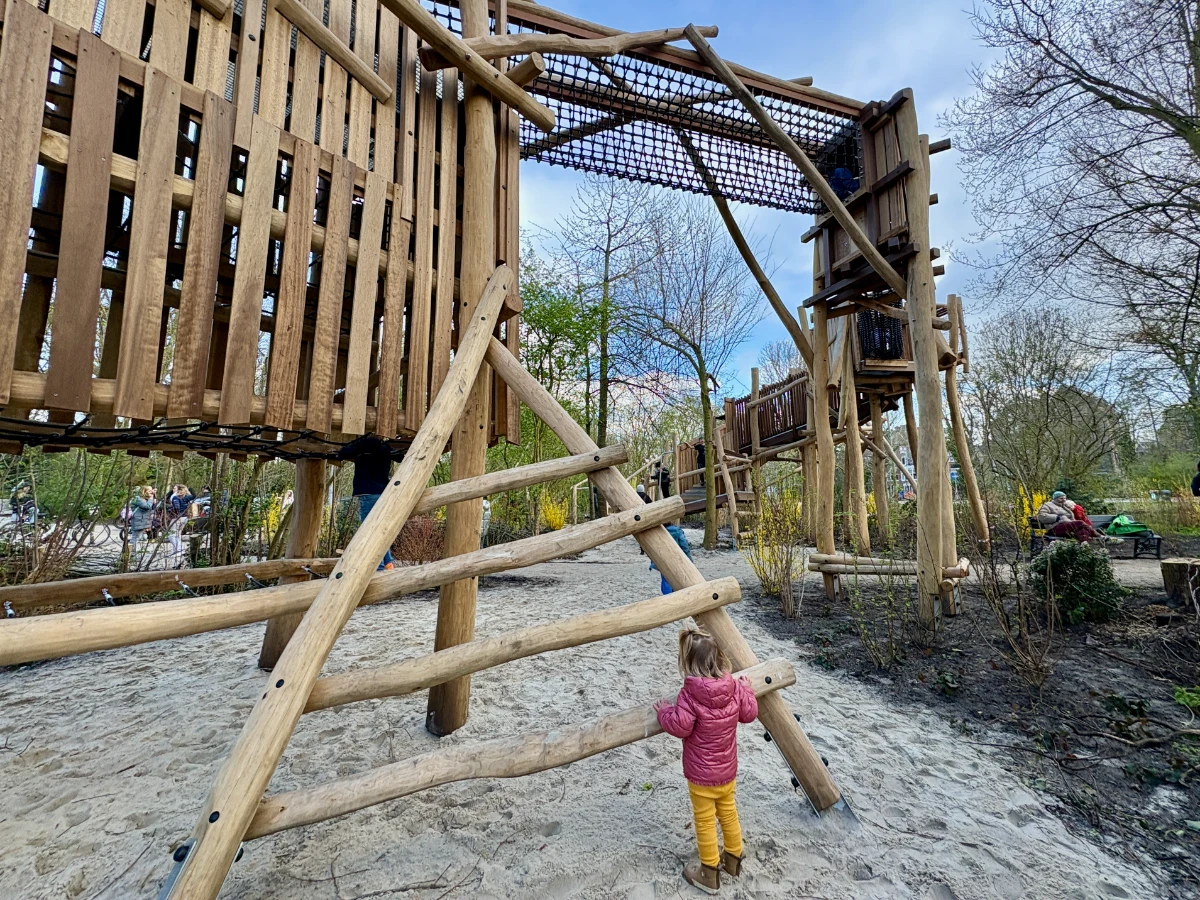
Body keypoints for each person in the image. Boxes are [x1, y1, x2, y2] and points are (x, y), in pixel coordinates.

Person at [654, 628, 758, 893]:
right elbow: (749, 714)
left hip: (701, 776)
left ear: (688, 663)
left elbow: (681, 726)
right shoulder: (733, 686)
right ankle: (734, 860)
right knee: (728, 812)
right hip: (727, 770)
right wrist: (747, 690)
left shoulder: (689, 695)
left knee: (704, 820)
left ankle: (709, 873)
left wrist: (665, 711)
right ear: (720, 658)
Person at [337, 434, 404, 570]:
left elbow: (342, 453)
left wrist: (355, 446)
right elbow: (400, 457)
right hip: (383, 493)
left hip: (367, 493)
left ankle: (377, 566)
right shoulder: (384, 446)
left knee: (369, 531)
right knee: (379, 529)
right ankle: (387, 562)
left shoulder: (362, 445)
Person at [651, 524, 692, 594]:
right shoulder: (677, 531)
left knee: (666, 579)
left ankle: (667, 596)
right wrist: (689, 560)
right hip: (677, 560)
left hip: (662, 560)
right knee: (680, 578)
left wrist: (653, 562)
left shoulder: (656, 532)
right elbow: (684, 546)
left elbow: (653, 547)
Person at [167, 484, 194, 566]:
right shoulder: (185, 497)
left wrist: (169, 509)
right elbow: (193, 496)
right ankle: (177, 549)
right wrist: (189, 489)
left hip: (177, 517)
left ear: (178, 490)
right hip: (184, 517)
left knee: (171, 534)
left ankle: (179, 549)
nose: (173, 489)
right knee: (177, 533)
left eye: (175, 488)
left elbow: (177, 508)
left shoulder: (175, 497)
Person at [128, 486, 156, 556]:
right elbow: (147, 507)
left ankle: (131, 553)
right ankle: (131, 553)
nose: (151, 491)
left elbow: (151, 508)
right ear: (144, 491)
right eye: (149, 490)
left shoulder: (144, 499)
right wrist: (151, 499)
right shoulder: (137, 498)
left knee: (136, 537)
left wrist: (153, 498)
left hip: (142, 520)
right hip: (138, 520)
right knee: (135, 537)